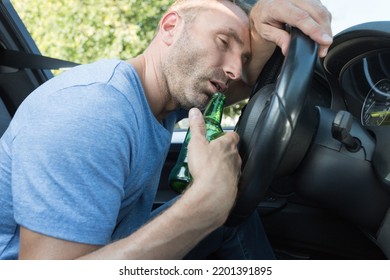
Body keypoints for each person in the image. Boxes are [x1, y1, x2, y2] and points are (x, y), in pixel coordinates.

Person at [0, 0, 332, 259]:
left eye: (241, 56)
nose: (233, 69)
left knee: (231, 221)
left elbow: (246, 80)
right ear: (171, 27)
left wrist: (261, 29)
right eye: (223, 41)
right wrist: (204, 205)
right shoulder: (93, 111)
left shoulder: (166, 99)